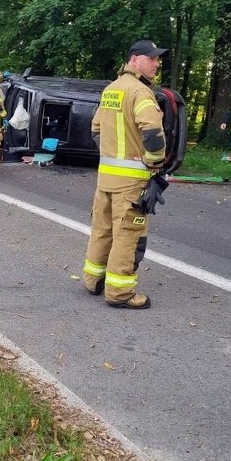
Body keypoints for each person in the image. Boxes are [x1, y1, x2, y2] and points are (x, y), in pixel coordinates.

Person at [81, 40, 167, 310]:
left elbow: (95, 129)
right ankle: (119, 293)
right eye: (151, 58)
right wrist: (155, 162)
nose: (156, 63)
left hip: (106, 178)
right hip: (131, 182)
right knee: (128, 235)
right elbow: (152, 131)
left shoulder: (111, 90)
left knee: (102, 229)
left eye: (157, 59)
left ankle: (93, 280)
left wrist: (111, 157)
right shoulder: (140, 92)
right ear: (134, 60)